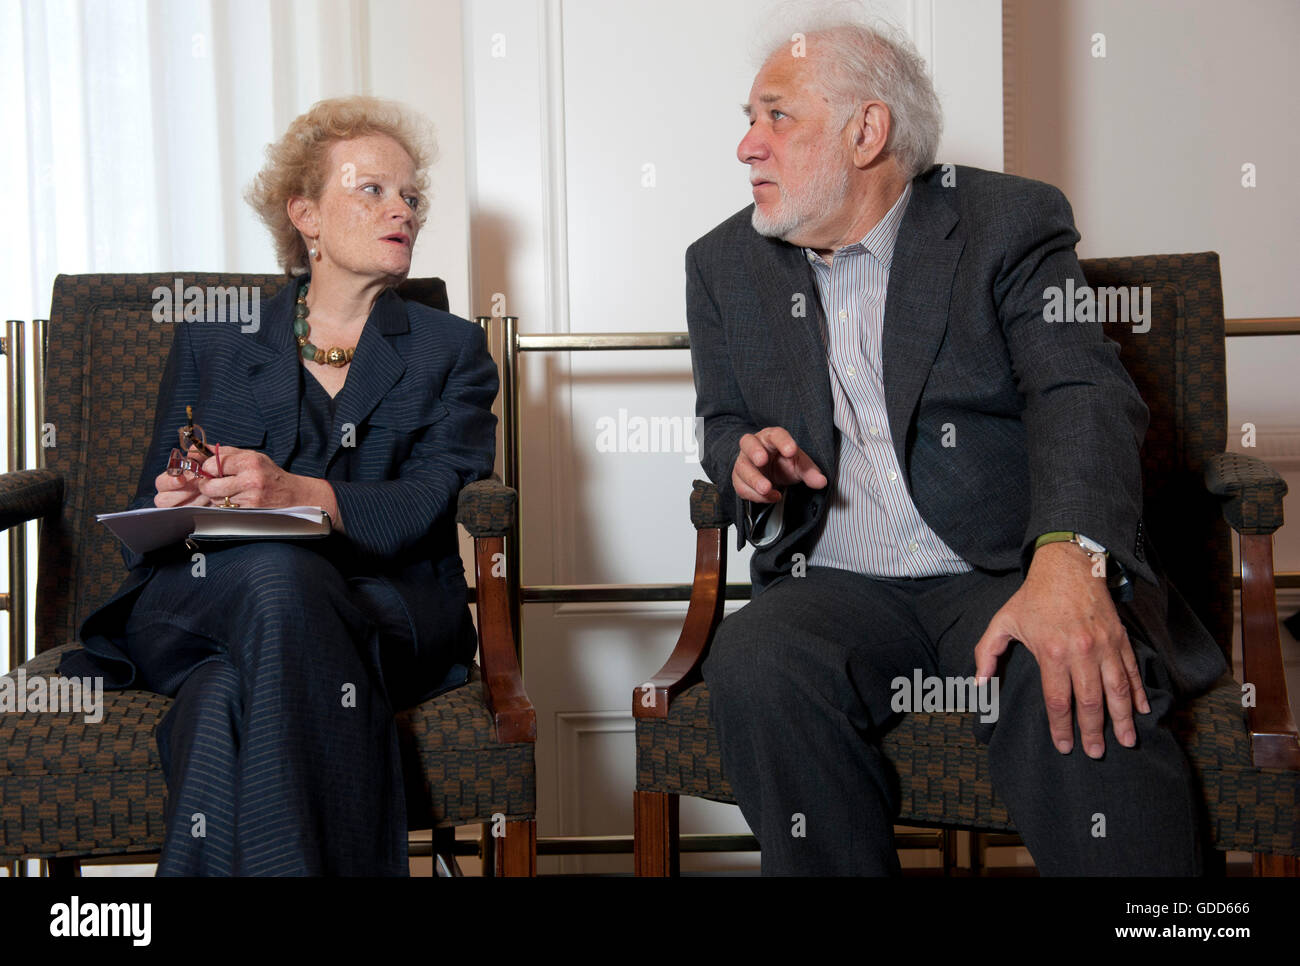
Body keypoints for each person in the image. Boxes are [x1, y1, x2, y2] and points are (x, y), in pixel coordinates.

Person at [686, 18, 1227, 875]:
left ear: (867, 131)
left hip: (1001, 563)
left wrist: (1066, 560)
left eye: (777, 116)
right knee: (756, 662)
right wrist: (741, 457)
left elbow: (1080, 390)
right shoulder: (723, 263)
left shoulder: (1006, 221)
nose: (747, 145)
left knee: (1062, 661)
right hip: (837, 584)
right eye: (749, 117)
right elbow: (719, 419)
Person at [61, 96, 498, 875]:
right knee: (274, 576)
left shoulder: (452, 350)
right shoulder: (217, 339)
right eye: (372, 190)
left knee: (222, 696)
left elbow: (431, 499)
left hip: (381, 603)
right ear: (307, 215)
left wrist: (296, 492)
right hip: (202, 599)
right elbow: (154, 495)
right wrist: (181, 491)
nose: (402, 208)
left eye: (411, 196)